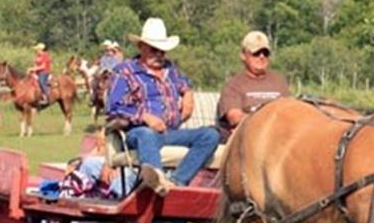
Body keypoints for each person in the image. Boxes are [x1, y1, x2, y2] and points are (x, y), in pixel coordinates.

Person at [105, 17, 220, 195]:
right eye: (154, 49)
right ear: (141, 47)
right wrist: (144, 116)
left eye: (162, 51)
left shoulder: (170, 70)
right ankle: (157, 178)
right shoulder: (124, 71)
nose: (159, 54)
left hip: (170, 132)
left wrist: (188, 93)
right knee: (147, 134)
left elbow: (184, 82)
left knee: (210, 135)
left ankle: (176, 182)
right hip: (138, 132)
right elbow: (114, 108)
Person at [217, 30, 290, 141]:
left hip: (280, 136)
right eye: (256, 53)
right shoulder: (234, 85)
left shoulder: (279, 81)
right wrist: (266, 122)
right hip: (249, 137)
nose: (261, 57)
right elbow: (234, 117)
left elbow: (289, 111)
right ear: (243, 55)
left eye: (265, 53)